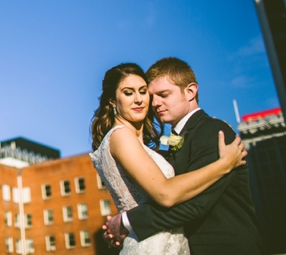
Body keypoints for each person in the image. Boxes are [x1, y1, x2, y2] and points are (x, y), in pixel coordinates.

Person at [102, 58, 267, 255]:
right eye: (152, 95)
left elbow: (193, 205)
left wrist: (126, 222)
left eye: (163, 95)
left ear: (190, 91)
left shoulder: (214, 132)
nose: (154, 103)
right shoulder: (168, 143)